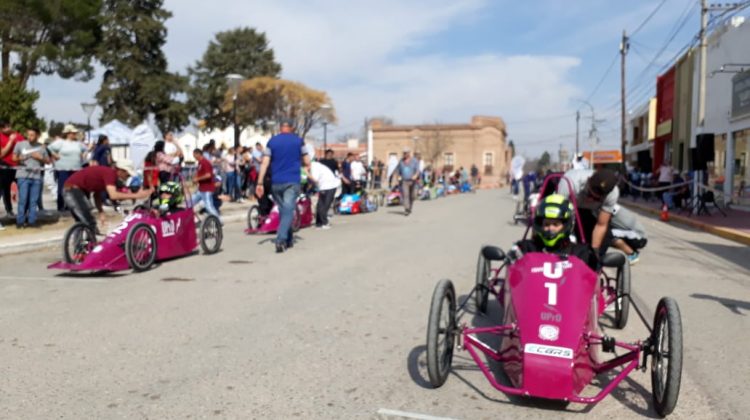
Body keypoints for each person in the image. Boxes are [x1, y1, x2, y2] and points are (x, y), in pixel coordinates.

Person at [557, 168, 635, 263]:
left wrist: (594, 252)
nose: (590, 199)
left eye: (595, 198)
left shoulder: (613, 194)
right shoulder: (570, 182)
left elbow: (601, 225)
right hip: (569, 205)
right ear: (588, 180)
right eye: (589, 194)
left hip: (590, 211)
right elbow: (558, 217)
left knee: (604, 239)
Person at [256, 119, 311, 253]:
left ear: (280, 128)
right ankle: (281, 239)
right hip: (292, 181)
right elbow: (307, 160)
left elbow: (264, 162)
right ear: (291, 128)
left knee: (284, 211)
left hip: (276, 182)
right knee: (288, 210)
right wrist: (305, 167)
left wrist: (260, 182)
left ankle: (289, 238)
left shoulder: (272, 142)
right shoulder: (299, 141)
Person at [508, 194, 598, 271]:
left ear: (567, 225)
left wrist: (596, 262)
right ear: (540, 225)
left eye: (555, 224)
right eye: (546, 224)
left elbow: (592, 277)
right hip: (532, 290)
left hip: (569, 291)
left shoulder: (581, 252)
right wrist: (512, 257)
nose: (550, 228)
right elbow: (512, 274)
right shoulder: (526, 249)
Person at [63, 160, 153, 234]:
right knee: (89, 222)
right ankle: (89, 249)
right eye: (127, 174)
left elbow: (96, 195)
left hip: (74, 190)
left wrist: (101, 213)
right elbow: (113, 195)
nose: (128, 177)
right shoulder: (110, 174)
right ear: (121, 170)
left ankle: (80, 249)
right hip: (72, 190)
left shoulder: (106, 174)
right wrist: (136, 195)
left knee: (82, 222)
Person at [13, 128, 50, 228]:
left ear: (37, 135)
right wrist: (21, 158)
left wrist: (40, 158)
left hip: (36, 177)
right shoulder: (20, 144)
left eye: (32, 135)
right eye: (28, 134)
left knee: (33, 201)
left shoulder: (41, 147)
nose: (30, 137)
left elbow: (48, 161)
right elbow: (14, 158)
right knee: (23, 200)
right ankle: (20, 222)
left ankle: (32, 221)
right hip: (23, 176)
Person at [48, 124, 87, 212]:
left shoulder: (78, 144)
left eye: (75, 133)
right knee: (62, 188)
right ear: (68, 133)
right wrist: (55, 155)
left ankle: (73, 206)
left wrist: (83, 156)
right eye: (73, 133)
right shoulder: (61, 142)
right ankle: (61, 206)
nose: (74, 134)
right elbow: (49, 148)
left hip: (76, 169)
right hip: (63, 169)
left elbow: (85, 149)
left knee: (74, 189)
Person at [308, 160, 340, 229]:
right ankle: (318, 223)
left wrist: (307, 173)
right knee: (320, 204)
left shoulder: (314, 166)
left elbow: (315, 179)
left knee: (325, 205)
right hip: (323, 186)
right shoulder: (314, 166)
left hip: (330, 185)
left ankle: (325, 222)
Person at [191, 148, 221, 219]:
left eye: (194, 155)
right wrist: (195, 179)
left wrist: (197, 179)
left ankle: (218, 221)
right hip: (201, 189)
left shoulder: (205, 162)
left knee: (209, 207)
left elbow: (208, 175)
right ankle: (192, 220)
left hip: (207, 189)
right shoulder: (200, 163)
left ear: (198, 154)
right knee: (190, 203)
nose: (193, 157)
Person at [0, 120, 21, 217]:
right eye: (4, 127)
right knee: (6, 189)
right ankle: (9, 210)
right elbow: (2, 154)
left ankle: (24, 210)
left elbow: (24, 149)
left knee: (22, 188)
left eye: (8, 126)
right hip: (5, 166)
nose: (8, 128)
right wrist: (11, 141)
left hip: (18, 166)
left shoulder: (18, 135)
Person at [395, 147, 419, 216]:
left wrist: (415, 175)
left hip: (413, 181)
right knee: (405, 195)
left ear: (409, 153)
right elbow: (398, 170)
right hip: (404, 181)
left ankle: (410, 207)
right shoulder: (401, 161)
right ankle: (406, 209)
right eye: (404, 153)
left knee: (413, 196)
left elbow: (417, 170)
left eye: (406, 153)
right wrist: (398, 177)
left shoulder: (414, 161)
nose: (404, 154)